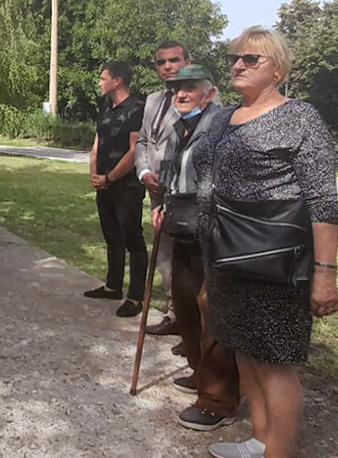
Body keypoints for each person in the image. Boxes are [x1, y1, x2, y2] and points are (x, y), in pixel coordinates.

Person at [197, 27, 338, 458]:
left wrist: (325, 274)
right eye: (236, 58)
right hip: (224, 257)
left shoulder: (300, 118)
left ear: (277, 68)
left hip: (274, 262)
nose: (238, 65)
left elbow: (323, 202)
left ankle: (280, 451)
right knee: (243, 349)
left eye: (251, 59)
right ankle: (259, 441)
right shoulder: (223, 116)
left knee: (275, 363)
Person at [149, 65, 240, 432]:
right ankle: (198, 371)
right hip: (181, 222)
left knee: (211, 308)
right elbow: (169, 175)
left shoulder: (222, 127)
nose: (181, 95)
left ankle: (218, 400)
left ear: (211, 93)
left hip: (214, 227)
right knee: (184, 299)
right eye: (176, 90)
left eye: (190, 88)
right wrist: (160, 204)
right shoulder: (178, 128)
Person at [134, 41, 190, 335]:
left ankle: (194, 324)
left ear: (187, 61)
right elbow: (143, 141)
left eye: (174, 60)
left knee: (191, 261)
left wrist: (168, 176)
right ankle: (174, 313)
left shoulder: (203, 98)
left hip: (185, 193)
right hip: (155, 190)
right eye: (161, 62)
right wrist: (143, 171)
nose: (168, 66)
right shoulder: (154, 99)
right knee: (164, 253)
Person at [83, 61, 148, 318]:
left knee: (133, 239)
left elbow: (136, 150)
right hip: (105, 185)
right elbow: (96, 145)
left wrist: (109, 178)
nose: (99, 82)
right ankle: (112, 286)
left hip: (127, 186)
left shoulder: (137, 109)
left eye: (103, 78)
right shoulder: (106, 110)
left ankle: (135, 297)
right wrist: (95, 175)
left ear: (117, 81)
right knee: (112, 237)